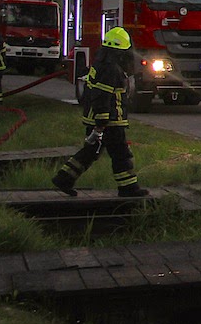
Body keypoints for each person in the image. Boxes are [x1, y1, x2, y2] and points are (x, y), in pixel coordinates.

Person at [52, 27, 148, 198]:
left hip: (102, 120)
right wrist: (102, 124)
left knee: (90, 152)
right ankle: (128, 188)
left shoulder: (102, 65)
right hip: (109, 121)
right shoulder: (111, 70)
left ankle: (64, 178)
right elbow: (103, 97)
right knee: (120, 153)